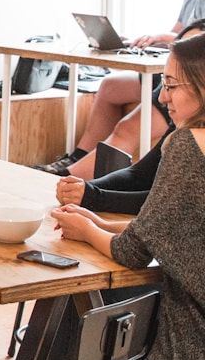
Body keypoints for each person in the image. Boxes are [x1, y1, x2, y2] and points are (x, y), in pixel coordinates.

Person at [52, 31, 205, 360]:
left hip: (195, 342)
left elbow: (133, 252)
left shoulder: (188, 145)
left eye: (170, 85)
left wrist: (87, 230)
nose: (163, 97)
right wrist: (98, 223)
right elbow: (170, 225)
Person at [38, 0, 205, 177]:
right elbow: (179, 34)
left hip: (191, 82)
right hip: (176, 74)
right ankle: (78, 157)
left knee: (127, 128)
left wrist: (166, 38)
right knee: (110, 86)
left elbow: (192, 42)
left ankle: (72, 179)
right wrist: (145, 41)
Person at [54, 19, 205, 214]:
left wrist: (92, 197)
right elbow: (140, 175)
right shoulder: (185, 124)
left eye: (171, 85)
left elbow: (165, 207)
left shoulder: (188, 141)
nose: (161, 97)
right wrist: (85, 188)